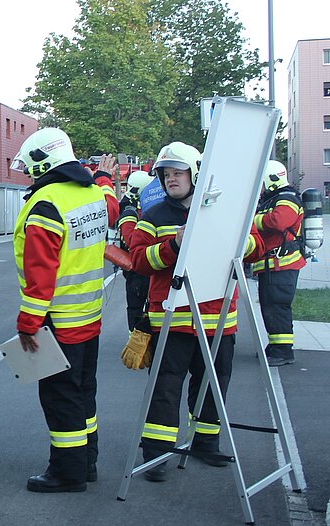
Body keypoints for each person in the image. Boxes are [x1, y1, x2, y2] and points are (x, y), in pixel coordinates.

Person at [129, 141, 265, 482]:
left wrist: (231, 241)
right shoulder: (155, 215)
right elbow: (139, 261)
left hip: (218, 321)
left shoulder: (225, 210)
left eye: (177, 173)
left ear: (195, 173)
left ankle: (206, 443)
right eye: (166, 175)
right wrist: (174, 245)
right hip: (172, 322)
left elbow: (255, 247)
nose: (171, 180)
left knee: (212, 385)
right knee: (164, 391)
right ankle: (156, 456)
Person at [10, 128, 116, 493]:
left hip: (57, 322)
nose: (30, 178)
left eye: (31, 171)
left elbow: (41, 277)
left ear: (43, 164)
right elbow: (111, 207)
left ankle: (67, 471)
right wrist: (103, 176)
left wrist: (28, 325)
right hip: (89, 315)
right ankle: (87, 462)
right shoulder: (92, 194)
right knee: (84, 391)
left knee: (60, 396)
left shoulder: (46, 204)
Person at [252, 160, 305, 367]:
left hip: (283, 264)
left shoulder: (287, 199)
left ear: (271, 179)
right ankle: (275, 346)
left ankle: (283, 351)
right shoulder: (274, 199)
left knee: (277, 306)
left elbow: (278, 221)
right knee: (270, 305)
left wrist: (253, 220)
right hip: (273, 264)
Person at [117, 170, 154, 331]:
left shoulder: (133, 213)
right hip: (141, 272)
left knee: (136, 311)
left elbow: (131, 241)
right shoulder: (147, 210)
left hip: (139, 274)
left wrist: (127, 218)